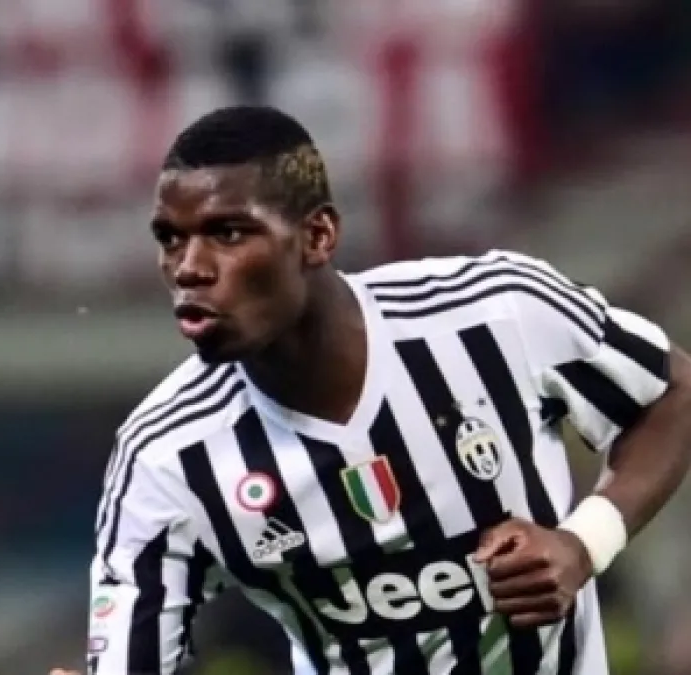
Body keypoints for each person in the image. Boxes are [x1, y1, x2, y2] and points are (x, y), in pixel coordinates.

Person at [49, 105, 691, 675]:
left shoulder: (494, 316)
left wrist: (584, 542)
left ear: (318, 236)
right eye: (170, 239)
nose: (189, 268)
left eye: (228, 233)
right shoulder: (166, 457)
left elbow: (672, 391)